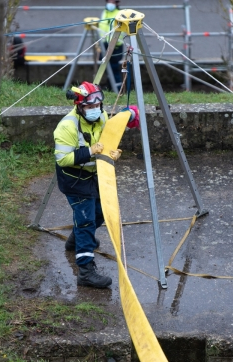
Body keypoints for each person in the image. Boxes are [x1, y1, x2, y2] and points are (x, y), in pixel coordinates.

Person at [54, 82, 138, 289]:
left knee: (100, 213)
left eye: (97, 106)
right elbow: (62, 159)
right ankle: (86, 272)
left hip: (93, 177)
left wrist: (110, 152)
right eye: (89, 107)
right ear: (79, 106)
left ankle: (75, 241)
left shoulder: (101, 117)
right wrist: (90, 152)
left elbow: (106, 138)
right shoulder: (67, 126)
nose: (95, 111)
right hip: (74, 180)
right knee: (86, 222)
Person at [99, 0, 124, 91]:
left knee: (114, 68)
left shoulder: (119, 14)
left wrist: (114, 43)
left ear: (117, 3)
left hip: (115, 46)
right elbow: (102, 27)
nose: (110, 4)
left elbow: (120, 31)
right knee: (105, 67)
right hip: (105, 44)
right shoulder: (105, 12)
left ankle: (117, 89)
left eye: (112, 2)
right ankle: (110, 87)